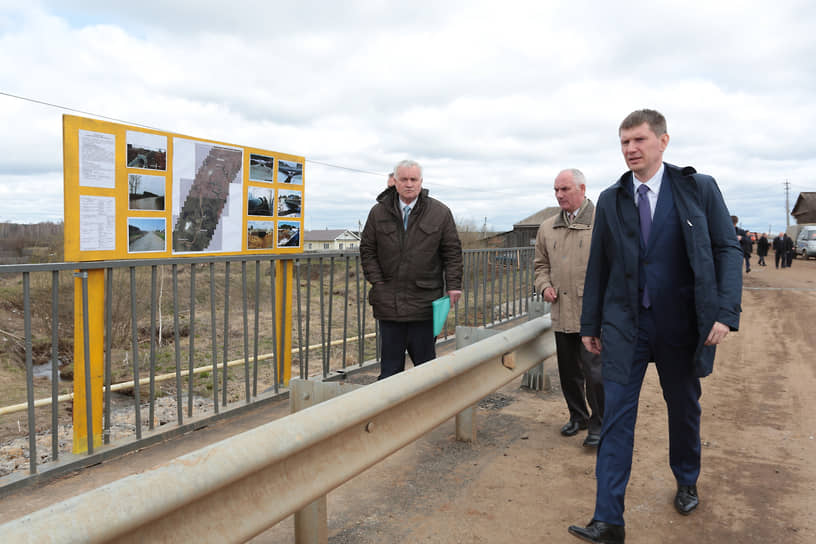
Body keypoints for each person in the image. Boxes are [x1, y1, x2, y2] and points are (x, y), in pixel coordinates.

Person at [568, 109, 742, 544]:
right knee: (615, 419)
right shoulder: (611, 199)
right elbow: (599, 265)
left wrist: (725, 312)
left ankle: (686, 478)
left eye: (639, 140)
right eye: (624, 142)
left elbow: (727, 250)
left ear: (663, 142)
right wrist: (591, 322)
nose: (631, 149)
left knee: (683, 409)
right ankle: (609, 520)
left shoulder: (697, 189)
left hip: (682, 326)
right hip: (626, 326)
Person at [360, 160, 463, 380]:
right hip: (389, 301)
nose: (409, 184)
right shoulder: (378, 213)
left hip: (424, 302)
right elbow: (367, 250)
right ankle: (391, 413)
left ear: (421, 182)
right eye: (404, 179)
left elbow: (452, 252)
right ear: (394, 182)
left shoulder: (440, 213)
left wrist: (453, 285)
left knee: (425, 368)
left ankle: (427, 412)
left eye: (413, 179)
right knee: (390, 369)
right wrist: (377, 282)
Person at [534, 168, 603, 448]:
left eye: (565, 189)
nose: (559, 195)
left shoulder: (602, 222)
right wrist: (544, 285)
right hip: (561, 310)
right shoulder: (547, 227)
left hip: (592, 314)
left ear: (582, 189)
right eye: (556, 190)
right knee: (568, 371)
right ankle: (578, 417)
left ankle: (600, 424)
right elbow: (540, 266)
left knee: (595, 373)